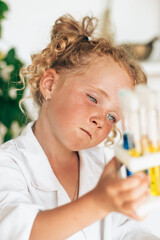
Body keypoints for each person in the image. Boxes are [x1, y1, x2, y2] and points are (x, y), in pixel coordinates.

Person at [0, 14, 158, 240]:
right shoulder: (7, 166)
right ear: (50, 85)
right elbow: (18, 232)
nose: (100, 120)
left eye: (112, 116)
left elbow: (127, 230)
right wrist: (99, 201)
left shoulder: (102, 165)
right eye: (93, 99)